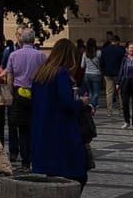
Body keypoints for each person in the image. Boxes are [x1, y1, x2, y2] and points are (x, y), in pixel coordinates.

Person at [28, 38, 88, 190]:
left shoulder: (41, 73)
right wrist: (82, 102)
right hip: (61, 131)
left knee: (52, 177)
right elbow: (66, 103)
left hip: (43, 129)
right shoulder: (60, 74)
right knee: (77, 176)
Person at [3, 29, 41, 168]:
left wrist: (12, 91)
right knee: (35, 127)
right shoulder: (40, 55)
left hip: (19, 93)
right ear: (33, 40)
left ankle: (25, 161)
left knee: (23, 129)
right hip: (35, 93)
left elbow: (9, 76)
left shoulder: (13, 55)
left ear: (22, 39)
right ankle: (35, 158)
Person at [117, 43, 133, 130]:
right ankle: (126, 121)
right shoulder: (124, 59)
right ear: (127, 49)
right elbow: (121, 70)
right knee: (125, 102)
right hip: (126, 81)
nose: (132, 50)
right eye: (130, 48)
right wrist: (118, 82)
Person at [80, 39, 103, 109]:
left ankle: (92, 104)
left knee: (90, 92)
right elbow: (101, 64)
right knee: (96, 92)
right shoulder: (98, 53)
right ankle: (92, 105)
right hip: (96, 74)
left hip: (87, 74)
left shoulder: (85, 54)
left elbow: (82, 66)